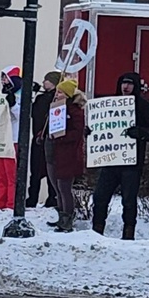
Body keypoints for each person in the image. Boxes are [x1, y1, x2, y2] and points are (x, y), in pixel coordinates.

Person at [92, 71, 149, 240]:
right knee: (100, 197)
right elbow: (100, 126)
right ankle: (96, 231)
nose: (126, 86)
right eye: (124, 83)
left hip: (131, 162)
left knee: (129, 201)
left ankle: (128, 233)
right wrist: (91, 131)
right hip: (110, 159)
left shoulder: (144, 106)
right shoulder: (110, 104)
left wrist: (140, 133)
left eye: (130, 83)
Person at [46, 78, 87, 233]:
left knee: (64, 188)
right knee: (57, 187)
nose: (57, 94)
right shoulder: (57, 108)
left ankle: (67, 219)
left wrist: (60, 137)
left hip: (67, 155)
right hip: (55, 153)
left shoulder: (75, 111)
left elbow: (76, 133)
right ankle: (61, 216)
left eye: (60, 92)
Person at [27, 71, 62, 209]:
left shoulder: (57, 99)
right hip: (37, 138)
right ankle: (32, 198)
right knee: (35, 170)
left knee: (50, 170)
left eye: (46, 80)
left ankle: (52, 197)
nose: (43, 82)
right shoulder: (40, 98)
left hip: (50, 139)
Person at [0, 66, 23, 210]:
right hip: (0, 138)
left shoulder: (21, 94)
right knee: (0, 174)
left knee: (11, 174)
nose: (3, 81)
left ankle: (11, 203)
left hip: (13, 139)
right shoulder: (1, 94)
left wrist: (13, 105)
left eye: (5, 77)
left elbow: (22, 117)